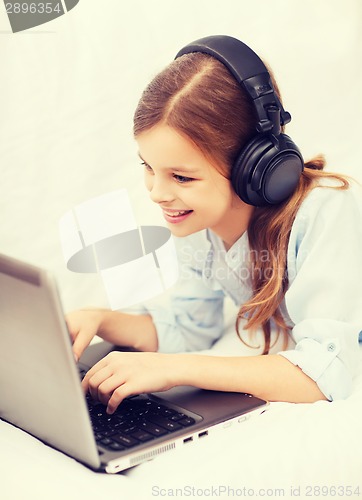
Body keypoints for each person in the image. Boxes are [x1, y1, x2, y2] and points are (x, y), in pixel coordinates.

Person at [66, 35, 362, 415]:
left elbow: (325, 373)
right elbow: (191, 325)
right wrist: (102, 320)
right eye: (148, 167)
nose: (157, 193)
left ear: (252, 168)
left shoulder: (324, 211)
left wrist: (173, 370)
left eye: (182, 177)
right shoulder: (199, 222)